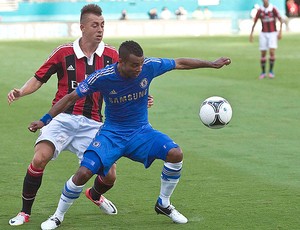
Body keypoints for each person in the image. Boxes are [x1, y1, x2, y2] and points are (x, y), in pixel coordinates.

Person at [29, 40, 231, 229]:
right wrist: (44, 120)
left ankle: (164, 203)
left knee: (175, 154)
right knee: (83, 173)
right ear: (121, 62)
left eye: (141, 64)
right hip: (111, 134)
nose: (139, 69)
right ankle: (57, 216)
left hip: (141, 132)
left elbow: (180, 63)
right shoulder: (103, 77)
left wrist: (212, 64)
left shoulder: (149, 66)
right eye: (134, 65)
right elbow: (71, 97)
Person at [7, 4, 154, 227]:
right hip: (62, 118)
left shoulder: (114, 55)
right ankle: (24, 212)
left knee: (110, 176)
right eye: (95, 25)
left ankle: (94, 195)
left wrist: (144, 97)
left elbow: (132, 80)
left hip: (93, 121)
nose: (100, 29)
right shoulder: (63, 52)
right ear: (82, 27)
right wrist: (21, 91)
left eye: (103, 25)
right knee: (39, 158)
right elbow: (39, 77)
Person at [249, 0, 283, 79]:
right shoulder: (260, 10)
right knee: (263, 53)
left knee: (271, 51)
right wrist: (251, 34)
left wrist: (280, 32)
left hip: (272, 33)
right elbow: (255, 22)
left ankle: (271, 71)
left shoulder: (273, 9)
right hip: (263, 33)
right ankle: (263, 72)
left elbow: (280, 19)